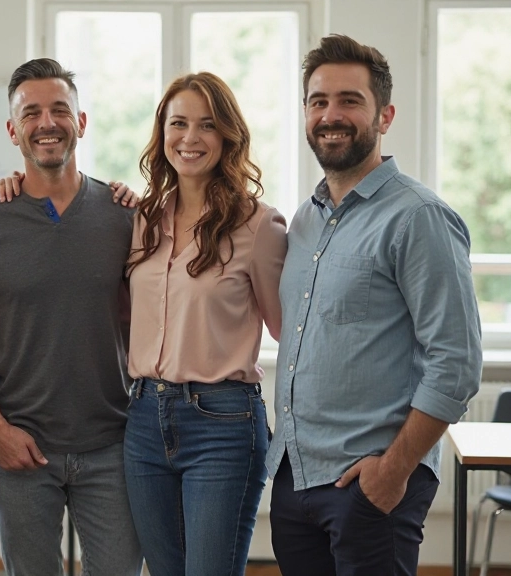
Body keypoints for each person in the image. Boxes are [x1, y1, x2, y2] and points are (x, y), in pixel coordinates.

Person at [267, 34, 482, 576]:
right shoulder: (305, 220)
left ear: (384, 115)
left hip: (371, 481)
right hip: (297, 478)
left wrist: (394, 468)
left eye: (349, 101)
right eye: (318, 102)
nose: (330, 115)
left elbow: (456, 361)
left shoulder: (419, 217)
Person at [0, 58, 143, 576]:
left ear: (81, 122)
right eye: (31, 113)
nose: (47, 123)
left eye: (60, 109)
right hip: (21, 449)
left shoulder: (127, 216)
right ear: (14, 131)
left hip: (114, 446)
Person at [123, 72, 286, 576]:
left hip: (223, 423)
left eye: (206, 125)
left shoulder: (259, 225)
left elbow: (290, 332)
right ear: (162, 133)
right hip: (145, 420)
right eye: (178, 124)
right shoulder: (141, 218)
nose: (190, 138)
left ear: (227, 137)